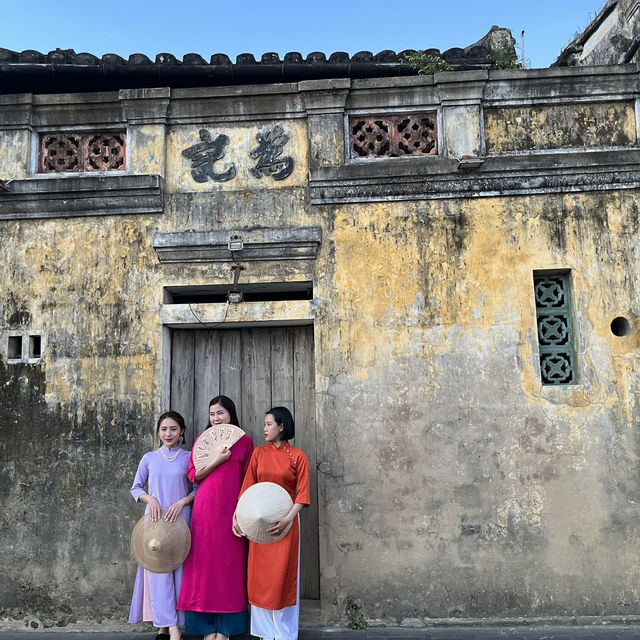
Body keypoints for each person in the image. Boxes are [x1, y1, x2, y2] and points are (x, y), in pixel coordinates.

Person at [177, 395, 254, 640]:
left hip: (232, 511)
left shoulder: (244, 442)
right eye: (212, 414)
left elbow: (248, 480)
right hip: (204, 510)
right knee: (202, 567)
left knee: (229, 568)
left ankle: (227, 629)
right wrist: (217, 459)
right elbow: (194, 475)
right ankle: (206, 628)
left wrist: (242, 511)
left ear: (231, 414)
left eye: (220, 413)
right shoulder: (202, 440)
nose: (216, 418)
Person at [233, 406, 310, 640]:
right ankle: (265, 633)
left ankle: (284, 634)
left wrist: (287, 519)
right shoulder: (259, 454)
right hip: (258, 524)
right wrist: (237, 516)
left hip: (286, 522)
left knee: (282, 576)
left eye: (269, 424)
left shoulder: (298, 456)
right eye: (264, 424)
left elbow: (303, 495)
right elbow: (246, 487)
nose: (264, 428)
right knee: (260, 576)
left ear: (281, 426)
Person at [129, 411, 194, 640]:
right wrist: (150, 499)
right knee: (158, 572)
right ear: (158, 431)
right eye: (164, 429)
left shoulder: (188, 457)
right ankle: (171, 627)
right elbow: (136, 487)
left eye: (173, 429)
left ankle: (165, 627)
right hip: (154, 522)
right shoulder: (149, 458)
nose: (168, 433)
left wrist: (183, 501)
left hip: (179, 520)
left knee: (178, 572)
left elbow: (198, 489)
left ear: (182, 431)